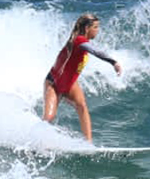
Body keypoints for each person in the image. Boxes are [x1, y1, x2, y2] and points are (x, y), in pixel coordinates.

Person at [41, 13, 121, 142]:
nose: (97, 30)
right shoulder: (79, 41)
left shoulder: (80, 41)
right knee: (49, 117)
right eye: (95, 27)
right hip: (54, 83)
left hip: (69, 83)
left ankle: (88, 143)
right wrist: (113, 62)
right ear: (87, 28)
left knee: (82, 106)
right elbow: (95, 51)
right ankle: (37, 143)